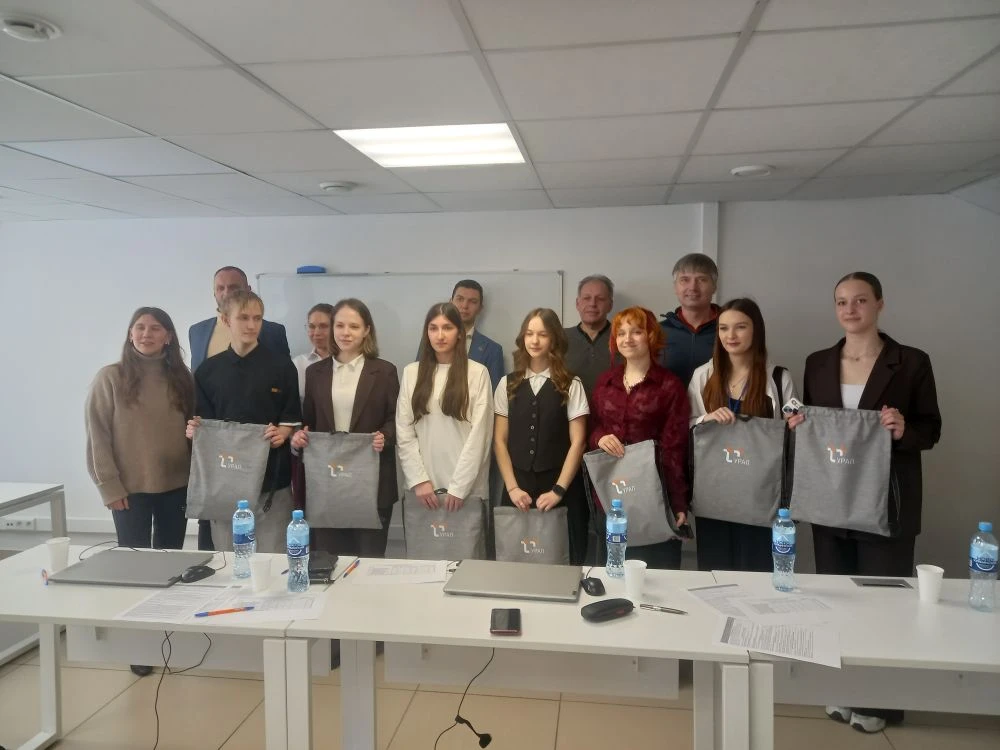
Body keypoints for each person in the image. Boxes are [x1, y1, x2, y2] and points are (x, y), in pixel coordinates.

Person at [790, 271, 941, 734]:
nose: (850, 309)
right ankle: (843, 688)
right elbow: (813, 422)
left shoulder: (911, 362)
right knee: (835, 599)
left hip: (886, 501)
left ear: (879, 304)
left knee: (882, 605)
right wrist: (799, 424)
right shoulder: (818, 362)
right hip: (831, 497)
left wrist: (903, 429)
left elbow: (930, 429)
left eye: (860, 300)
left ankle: (880, 702)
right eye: (841, 301)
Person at [85, 307, 194, 677]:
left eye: (156, 328)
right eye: (140, 327)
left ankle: (165, 635)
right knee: (134, 571)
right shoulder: (111, 377)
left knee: (169, 567)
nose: (147, 334)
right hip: (129, 490)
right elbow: (97, 435)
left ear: (168, 336)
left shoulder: (182, 378)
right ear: (130, 334)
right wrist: (109, 486)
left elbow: (194, 430)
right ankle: (138, 647)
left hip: (176, 486)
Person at [186, 290, 301, 553]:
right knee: (230, 557)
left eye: (257, 318)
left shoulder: (282, 368)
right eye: (243, 318)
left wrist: (282, 434)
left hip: (272, 482)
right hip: (225, 482)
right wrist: (196, 431)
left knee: (274, 556)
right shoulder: (208, 371)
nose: (251, 325)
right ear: (226, 320)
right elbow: (205, 426)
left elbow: (291, 419)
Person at [687, 298, 797, 572]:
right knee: (714, 574)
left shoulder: (778, 378)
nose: (731, 335)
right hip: (714, 494)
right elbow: (685, 427)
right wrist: (705, 419)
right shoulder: (703, 376)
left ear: (756, 330)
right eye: (723, 328)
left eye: (741, 327)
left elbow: (793, 438)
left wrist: (796, 425)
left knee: (757, 573)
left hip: (761, 496)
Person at [291, 299, 399, 557]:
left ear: (367, 330)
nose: (345, 332)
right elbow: (309, 423)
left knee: (369, 561)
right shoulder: (315, 373)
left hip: (371, 483)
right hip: (327, 483)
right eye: (339, 325)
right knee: (329, 561)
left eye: (354, 326)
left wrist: (385, 436)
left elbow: (396, 419)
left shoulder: (384, 371)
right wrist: (299, 438)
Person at [589, 306, 690, 569]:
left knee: (656, 571)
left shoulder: (669, 385)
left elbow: (675, 447)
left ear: (651, 335)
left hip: (654, 493)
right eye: (621, 333)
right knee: (613, 569)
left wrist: (678, 502)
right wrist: (600, 438)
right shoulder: (605, 382)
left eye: (636, 332)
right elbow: (593, 427)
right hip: (611, 490)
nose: (628, 339)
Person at [493, 308, 589, 564]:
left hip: (561, 487)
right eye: (529, 334)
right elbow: (500, 441)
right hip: (517, 487)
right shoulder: (507, 384)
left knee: (562, 560)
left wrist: (558, 490)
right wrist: (512, 488)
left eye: (543, 335)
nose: (534, 341)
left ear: (554, 339)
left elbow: (578, 442)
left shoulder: (572, 384)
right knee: (515, 558)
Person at [396, 302, 493, 517]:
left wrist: (459, 487)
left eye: (447, 327)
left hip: (466, 491)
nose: (440, 335)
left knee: (466, 540)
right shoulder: (411, 373)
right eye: (433, 328)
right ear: (427, 333)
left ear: (459, 333)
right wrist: (419, 480)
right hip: (423, 491)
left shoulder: (478, 373)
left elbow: (481, 436)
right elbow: (404, 432)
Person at [660, 253, 720, 387]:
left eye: (702, 279)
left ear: (714, 286)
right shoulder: (657, 332)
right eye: (685, 280)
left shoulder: (728, 330)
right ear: (675, 287)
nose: (693, 287)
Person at [564, 274, 614, 399]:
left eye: (600, 299)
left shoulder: (624, 340)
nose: (592, 304)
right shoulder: (559, 338)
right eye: (586, 298)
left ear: (610, 305)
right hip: (568, 411)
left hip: (613, 411)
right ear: (577, 303)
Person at [450, 279, 504, 389]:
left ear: (480, 308)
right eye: (460, 299)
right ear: (451, 302)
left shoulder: (493, 350)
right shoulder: (432, 340)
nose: (465, 305)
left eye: (472, 301)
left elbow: (495, 393)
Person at [292, 303, 334, 402]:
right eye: (311, 326)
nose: (316, 333)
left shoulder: (346, 362)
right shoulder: (298, 364)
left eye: (323, 326)